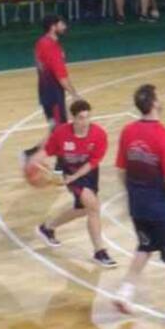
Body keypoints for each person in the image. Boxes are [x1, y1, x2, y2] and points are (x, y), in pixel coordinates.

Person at [113, 84, 165, 326]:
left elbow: (121, 170)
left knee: (145, 246)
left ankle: (125, 292)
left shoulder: (128, 131)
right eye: (159, 96)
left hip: (138, 207)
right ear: (154, 103)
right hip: (162, 210)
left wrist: (133, 193)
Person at [33, 99, 117, 268]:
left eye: (88, 117)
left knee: (82, 209)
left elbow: (93, 162)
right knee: (93, 207)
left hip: (88, 173)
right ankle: (100, 252)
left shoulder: (99, 134)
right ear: (73, 118)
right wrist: (38, 162)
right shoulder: (61, 133)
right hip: (68, 170)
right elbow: (47, 151)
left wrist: (76, 176)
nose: (85, 122)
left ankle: (47, 227)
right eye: (81, 118)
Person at [23, 15, 80, 162]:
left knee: (55, 128)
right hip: (54, 95)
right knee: (61, 130)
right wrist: (75, 95)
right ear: (53, 27)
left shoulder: (41, 42)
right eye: (62, 24)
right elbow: (61, 77)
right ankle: (59, 165)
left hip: (45, 92)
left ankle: (30, 154)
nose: (65, 26)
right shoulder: (52, 47)